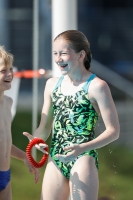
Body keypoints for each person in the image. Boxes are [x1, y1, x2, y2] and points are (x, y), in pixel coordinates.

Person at [23, 30, 120, 200]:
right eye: (55, 53)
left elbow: (113, 131)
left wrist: (83, 148)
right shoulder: (52, 85)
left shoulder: (97, 86)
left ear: (81, 55)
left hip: (83, 156)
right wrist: (37, 140)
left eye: (64, 53)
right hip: (56, 155)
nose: (58, 58)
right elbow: (44, 127)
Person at [0, 46, 40, 200]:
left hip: (5, 173)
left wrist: (24, 157)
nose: (10, 74)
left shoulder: (8, 103)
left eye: (11, 69)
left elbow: (4, 143)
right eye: (4, 70)